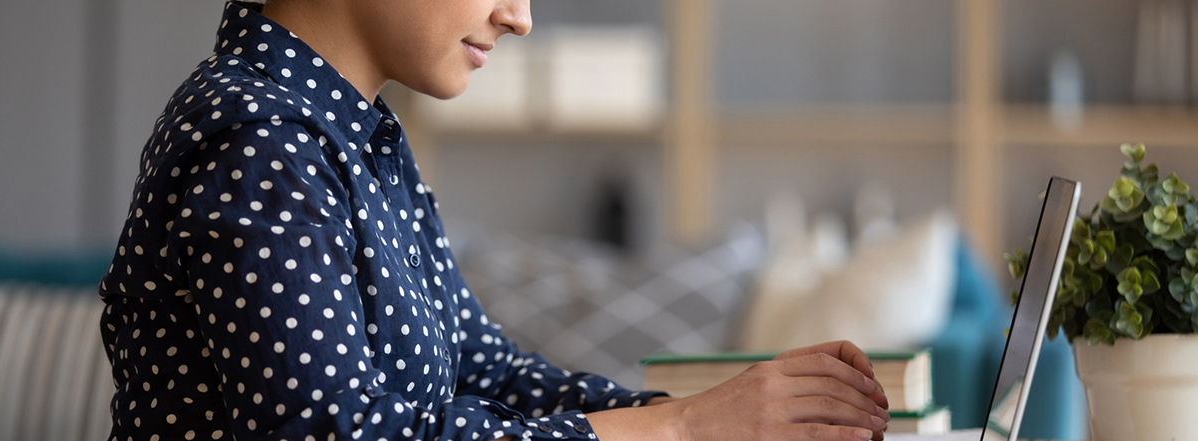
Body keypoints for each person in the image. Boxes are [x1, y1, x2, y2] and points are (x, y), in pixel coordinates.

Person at [97, 0, 891, 440]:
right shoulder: (261, 139)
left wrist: (730, 418)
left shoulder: (356, 138)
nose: (520, 15)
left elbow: (488, 371)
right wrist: (683, 431)